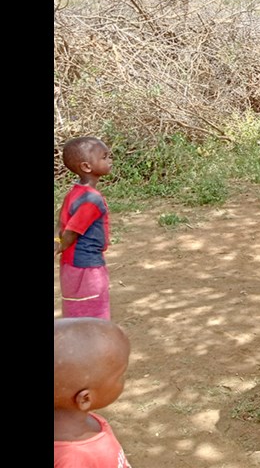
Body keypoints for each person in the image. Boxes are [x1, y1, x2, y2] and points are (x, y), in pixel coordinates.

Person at [54, 317, 132, 468]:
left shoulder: (84, 421)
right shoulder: (73, 459)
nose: (124, 379)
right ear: (85, 399)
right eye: (120, 375)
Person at [56, 137, 114, 321]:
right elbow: (71, 234)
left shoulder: (73, 193)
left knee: (75, 311)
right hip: (87, 267)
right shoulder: (92, 199)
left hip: (69, 267)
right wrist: (60, 245)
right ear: (87, 167)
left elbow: (59, 225)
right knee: (94, 316)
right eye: (104, 157)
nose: (109, 160)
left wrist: (57, 244)